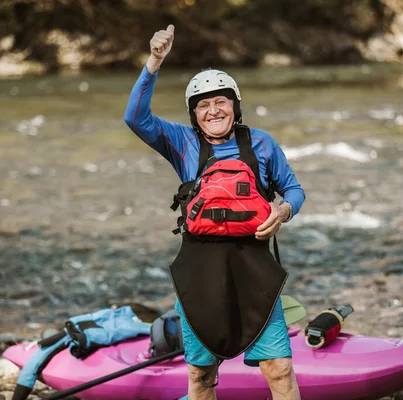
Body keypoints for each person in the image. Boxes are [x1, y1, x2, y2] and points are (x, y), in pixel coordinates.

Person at [124, 24, 305, 400]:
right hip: (201, 267)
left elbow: (293, 189)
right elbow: (135, 118)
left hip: (253, 264)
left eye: (220, 101)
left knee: (280, 369)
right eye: (202, 105)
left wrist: (283, 211)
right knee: (201, 375)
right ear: (194, 114)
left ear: (235, 105)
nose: (212, 110)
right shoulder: (181, 141)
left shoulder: (261, 143)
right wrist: (154, 61)